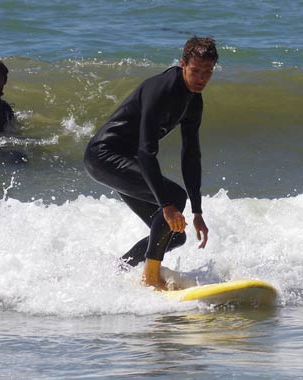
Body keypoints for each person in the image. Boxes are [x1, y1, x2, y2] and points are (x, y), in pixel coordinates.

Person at [84, 37, 218, 290]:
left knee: (175, 235)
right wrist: (166, 204)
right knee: (174, 198)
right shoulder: (161, 89)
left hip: (126, 161)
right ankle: (151, 278)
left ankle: (117, 274)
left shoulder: (194, 101)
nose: (202, 78)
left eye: (208, 72)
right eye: (196, 71)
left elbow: (191, 155)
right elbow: (147, 152)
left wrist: (197, 211)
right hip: (104, 155)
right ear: (183, 64)